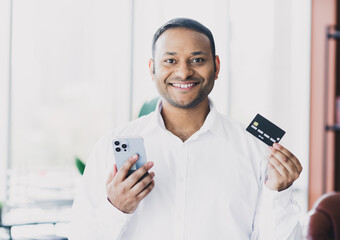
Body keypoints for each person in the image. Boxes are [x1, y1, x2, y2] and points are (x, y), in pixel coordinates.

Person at [69, 18, 303, 240]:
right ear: (152, 69)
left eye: (197, 60)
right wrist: (116, 209)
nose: (183, 72)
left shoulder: (255, 149)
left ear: (217, 66)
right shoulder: (110, 147)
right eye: (170, 61)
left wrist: (279, 193)